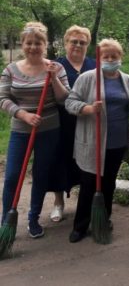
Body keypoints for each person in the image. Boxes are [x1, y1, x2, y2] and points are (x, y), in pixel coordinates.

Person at [66, 38, 129, 242]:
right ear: (99, 58)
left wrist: (120, 112)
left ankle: (103, 220)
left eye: (114, 56)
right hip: (93, 141)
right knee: (89, 183)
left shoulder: (127, 80)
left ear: (120, 57)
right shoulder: (87, 78)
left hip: (117, 141)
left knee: (109, 183)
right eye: (105, 56)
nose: (110, 59)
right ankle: (80, 226)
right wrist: (89, 109)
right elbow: (70, 102)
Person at [1, 22, 70, 238]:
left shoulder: (55, 67)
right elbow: (2, 98)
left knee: (41, 174)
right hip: (21, 130)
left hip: (49, 130)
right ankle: (6, 224)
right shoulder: (11, 69)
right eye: (29, 43)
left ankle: (33, 219)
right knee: (12, 176)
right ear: (22, 44)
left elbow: (64, 97)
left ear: (45, 44)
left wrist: (54, 78)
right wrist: (24, 115)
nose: (33, 47)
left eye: (38, 43)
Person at [48, 25, 96, 223]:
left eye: (82, 42)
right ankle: (58, 202)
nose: (77, 45)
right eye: (73, 41)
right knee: (60, 159)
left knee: (86, 161)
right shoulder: (56, 65)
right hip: (62, 121)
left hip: (87, 120)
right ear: (66, 43)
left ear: (87, 45)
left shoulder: (94, 65)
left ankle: (85, 202)